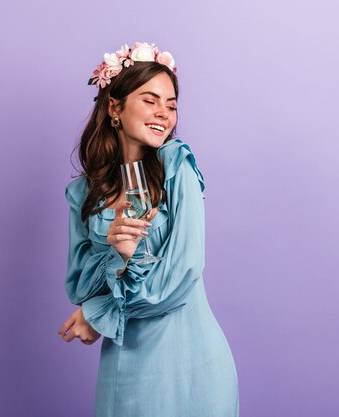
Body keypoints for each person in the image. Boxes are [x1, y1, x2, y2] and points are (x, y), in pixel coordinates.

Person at [58, 42, 239, 416]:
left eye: (171, 105)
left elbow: (182, 275)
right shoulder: (83, 193)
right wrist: (118, 253)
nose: (164, 114)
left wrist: (99, 313)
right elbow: (80, 285)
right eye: (150, 100)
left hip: (190, 362)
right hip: (126, 365)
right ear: (114, 106)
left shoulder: (178, 167)